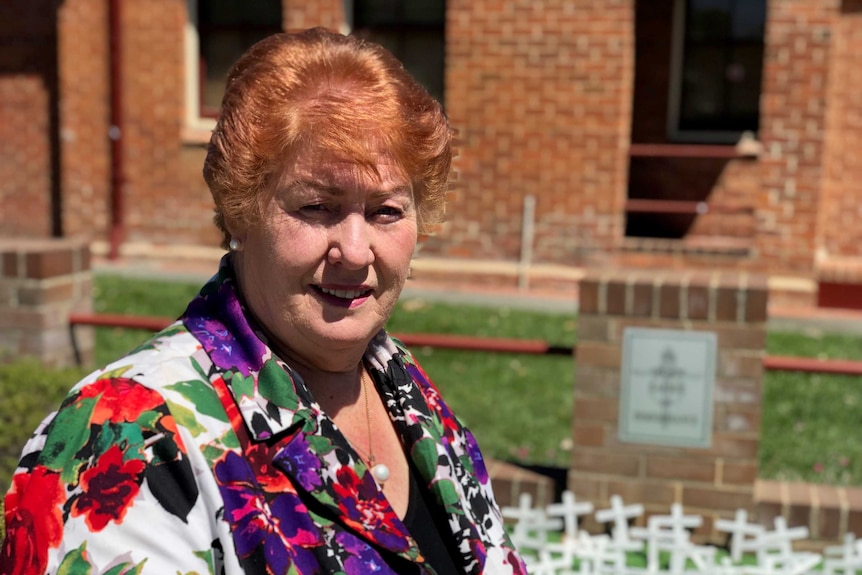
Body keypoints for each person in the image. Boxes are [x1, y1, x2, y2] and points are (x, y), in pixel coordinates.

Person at [0, 28, 526, 575]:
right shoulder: (127, 436)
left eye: (385, 211)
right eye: (318, 206)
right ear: (239, 211)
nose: (354, 250)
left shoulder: (404, 389)